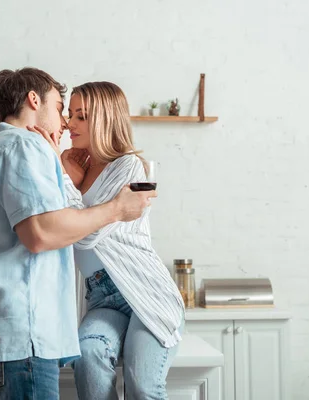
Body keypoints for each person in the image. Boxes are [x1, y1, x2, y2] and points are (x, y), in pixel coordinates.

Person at [0, 68, 156, 400]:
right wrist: (116, 209)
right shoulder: (24, 146)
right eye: (60, 107)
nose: (64, 123)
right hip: (20, 344)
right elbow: (41, 233)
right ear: (34, 99)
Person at [60, 81, 185, 400]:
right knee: (87, 354)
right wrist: (72, 179)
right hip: (102, 296)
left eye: (81, 116)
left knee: (142, 385)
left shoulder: (127, 166)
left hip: (146, 294)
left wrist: (69, 184)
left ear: (104, 119)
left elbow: (85, 235)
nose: (69, 124)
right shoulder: (78, 169)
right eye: (69, 114)